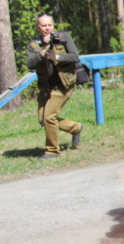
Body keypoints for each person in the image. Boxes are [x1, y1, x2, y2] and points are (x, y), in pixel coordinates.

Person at [25, 13, 84, 160]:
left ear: (53, 25)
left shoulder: (63, 38)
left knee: (49, 117)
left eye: (49, 25)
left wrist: (57, 57)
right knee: (43, 119)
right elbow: (30, 64)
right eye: (43, 26)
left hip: (63, 84)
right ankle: (75, 128)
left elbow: (75, 56)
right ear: (37, 27)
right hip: (46, 87)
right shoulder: (33, 45)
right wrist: (44, 50)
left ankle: (52, 151)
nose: (47, 28)